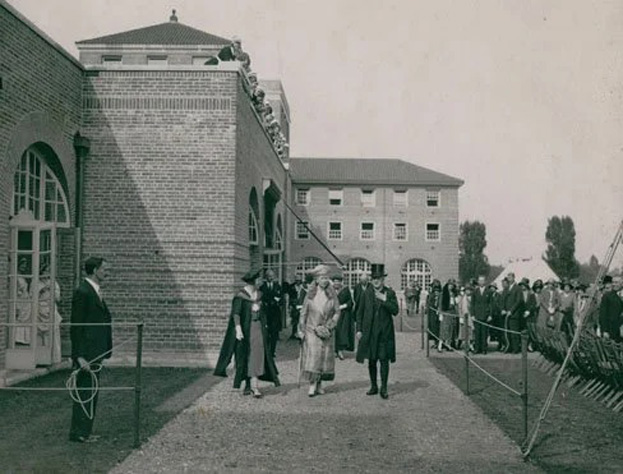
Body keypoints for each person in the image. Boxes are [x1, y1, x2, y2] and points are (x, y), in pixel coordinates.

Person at [214, 268, 280, 397]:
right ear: (253, 281)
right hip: (245, 330)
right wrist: (238, 329)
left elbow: (265, 311)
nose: (261, 280)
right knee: (244, 357)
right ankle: (249, 385)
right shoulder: (241, 296)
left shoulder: (260, 294)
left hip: (258, 330)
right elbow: (236, 314)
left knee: (257, 356)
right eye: (258, 279)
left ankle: (254, 386)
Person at [69, 257, 112, 443]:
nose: (106, 272)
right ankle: (78, 433)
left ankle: (85, 431)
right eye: (104, 269)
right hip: (86, 354)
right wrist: (79, 357)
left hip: (96, 352)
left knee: (91, 391)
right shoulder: (83, 292)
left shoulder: (94, 292)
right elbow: (76, 327)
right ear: (94, 270)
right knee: (84, 392)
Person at [356, 264, 399, 399]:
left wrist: (384, 299)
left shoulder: (390, 293)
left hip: (384, 333)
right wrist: (359, 329)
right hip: (369, 332)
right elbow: (360, 312)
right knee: (372, 360)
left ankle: (384, 388)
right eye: (374, 278)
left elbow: (395, 311)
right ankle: (374, 386)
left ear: (383, 279)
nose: (376, 281)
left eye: (378, 278)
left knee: (384, 359)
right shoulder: (366, 293)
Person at [297, 265, 341, 397]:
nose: (325, 280)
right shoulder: (310, 295)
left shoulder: (332, 295)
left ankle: (320, 383)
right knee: (313, 357)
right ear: (316, 279)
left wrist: (330, 326)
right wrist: (301, 329)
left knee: (324, 358)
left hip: (327, 331)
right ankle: (312, 384)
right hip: (312, 330)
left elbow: (337, 312)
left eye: (327, 278)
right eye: (322, 278)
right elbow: (303, 313)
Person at [37, 263, 63, 364]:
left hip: (50, 309)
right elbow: (31, 296)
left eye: (48, 271)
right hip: (39, 310)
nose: (46, 274)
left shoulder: (54, 283)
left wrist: (51, 290)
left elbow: (58, 298)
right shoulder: (36, 283)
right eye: (45, 271)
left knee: (53, 333)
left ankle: (54, 357)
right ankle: (40, 358)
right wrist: (41, 291)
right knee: (40, 335)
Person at [261, 269, 283, 358]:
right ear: (266, 277)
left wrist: (277, 301)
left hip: (275, 314)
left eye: (272, 276)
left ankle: (272, 351)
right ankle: (266, 350)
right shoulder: (262, 287)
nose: (271, 278)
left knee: (274, 333)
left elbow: (281, 298)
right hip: (266, 313)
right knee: (266, 333)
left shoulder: (278, 286)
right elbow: (262, 299)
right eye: (269, 276)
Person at [332, 274, 354, 359]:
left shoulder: (345, 290)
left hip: (343, 315)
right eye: (335, 282)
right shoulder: (330, 291)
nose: (336, 284)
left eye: (338, 282)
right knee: (333, 332)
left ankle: (340, 351)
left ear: (341, 283)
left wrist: (344, 306)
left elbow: (350, 302)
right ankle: (333, 351)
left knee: (341, 333)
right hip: (332, 314)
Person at [501, 272, 524, 354]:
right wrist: (503, 309)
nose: (509, 279)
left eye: (510, 277)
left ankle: (515, 349)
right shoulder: (506, 288)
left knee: (514, 332)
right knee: (507, 332)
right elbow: (502, 299)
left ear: (514, 278)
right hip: (506, 314)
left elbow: (519, 301)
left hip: (514, 314)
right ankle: (509, 347)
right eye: (508, 277)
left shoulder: (518, 288)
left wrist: (511, 311)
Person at [599, 275, 623, 342]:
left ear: (622, 283)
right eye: (613, 282)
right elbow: (602, 315)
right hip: (611, 331)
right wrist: (604, 331)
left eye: (616, 282)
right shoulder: (607, 296)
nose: (614, 284)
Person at [471, 275, 491, 354]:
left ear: (485, 282)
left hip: (485, 315)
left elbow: (491, 304)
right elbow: (472, 304)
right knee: (477, 333)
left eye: (482, 280)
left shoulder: (489, 291)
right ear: (478, 282)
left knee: (484, 333)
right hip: (477, 315)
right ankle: (477, 348)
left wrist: (490, 315)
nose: (481, 282)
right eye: (480, 280)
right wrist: (472, 314)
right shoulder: (475, 292)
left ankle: (484, 349)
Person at [15, 256, 32, 346]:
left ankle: (24, 338)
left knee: (26, 319)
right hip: (19, 300)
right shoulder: (16, 277)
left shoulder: (22, 276)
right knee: (20, 319)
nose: (24, 267)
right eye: (22, 265)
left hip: (25, 300)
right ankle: (18, 338)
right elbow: (15, 289)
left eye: (25, 265)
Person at [439, 279, 458, 352]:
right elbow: (440, 304)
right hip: (445, 312)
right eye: (450, 285)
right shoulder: (443, 294)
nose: (451, 287)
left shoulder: (453, 294)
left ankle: (448, 344)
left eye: (452, 285)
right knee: (444, 329)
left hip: (452, 312)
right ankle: (440, 345)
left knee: (451, 329)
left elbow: (456, 304)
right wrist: (440, 313)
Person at [520, 278, 537, 351]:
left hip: (530, 315)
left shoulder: (531, 293)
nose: (522, 287)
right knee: (522, 330)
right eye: (521, 285)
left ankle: (529, 345)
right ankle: (522, 345)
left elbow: (533, 304)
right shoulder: (519, 293)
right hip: (521, 314)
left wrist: (529, 311)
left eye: (524, 285)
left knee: (530, 330)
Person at [288, 275, 306, 340]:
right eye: (297, 280)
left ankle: (300, 333)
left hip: (302, 305)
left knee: (301, 320)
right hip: (294, 306)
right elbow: (290, 297)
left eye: (299, 280)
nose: (298, 282)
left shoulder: (303, 287)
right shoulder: (292, 287)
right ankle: (294, 333)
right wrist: (290, 305)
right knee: (294, 320)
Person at [457, 286, 474, 351]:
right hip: (464, 316)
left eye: (469, 290)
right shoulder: (462, 298)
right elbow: (460, 307)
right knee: (463, 331)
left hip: (470, 316)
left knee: (471, 332)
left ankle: (471, 345)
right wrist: (460, 316)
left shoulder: (472, 298)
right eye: (466, 290)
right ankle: (462, 344)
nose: (468, 291)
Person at [426, 280, 442, 346]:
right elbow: (429, 303)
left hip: (437, 313)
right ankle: (436, 341)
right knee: (433, 327)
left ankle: (438, 342)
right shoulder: (430, 295)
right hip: (432, 314)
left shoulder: (439, 295)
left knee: (438, 327)